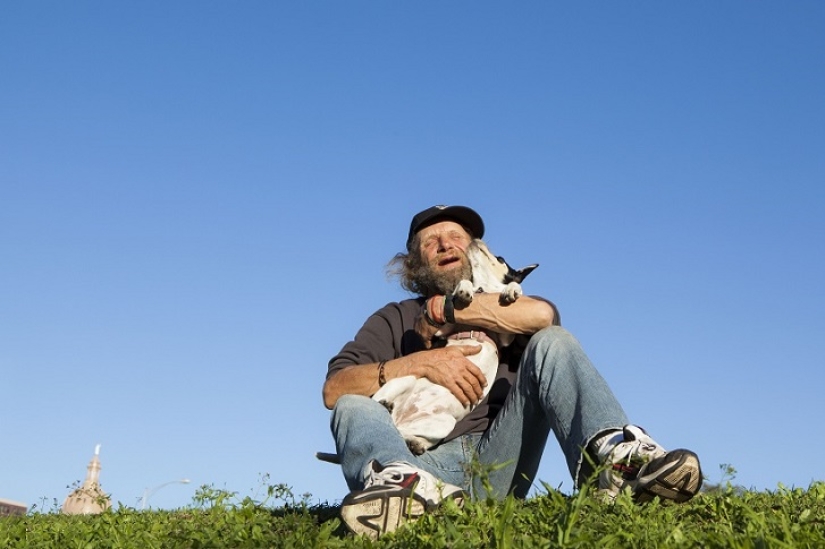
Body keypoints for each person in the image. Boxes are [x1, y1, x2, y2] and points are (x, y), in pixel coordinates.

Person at [323, 205, 702, 538]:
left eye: (457, 237)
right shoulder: (395, 317)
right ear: (414, 262)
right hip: (423, 465)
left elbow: (542, 316)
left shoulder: (509, 303)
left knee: (552, 340)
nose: (446, 244)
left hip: (500, 461)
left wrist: (446, 312)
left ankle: (617, 463)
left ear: (476, 252)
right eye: (431, 241)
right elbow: (334, 389)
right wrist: (418, 362)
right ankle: (403, 487)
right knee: (352, 406)